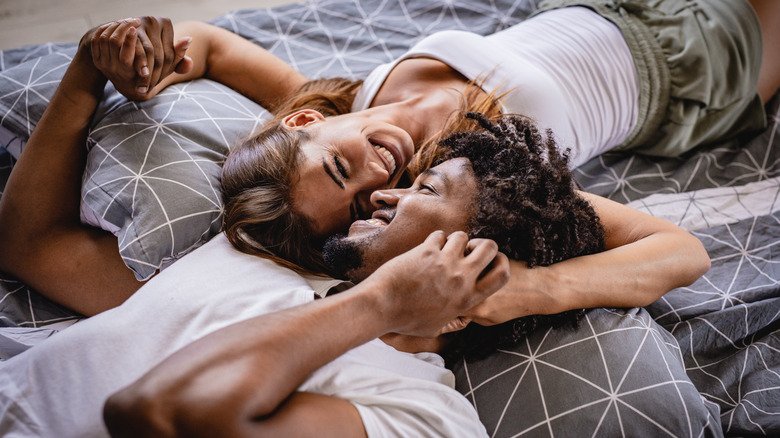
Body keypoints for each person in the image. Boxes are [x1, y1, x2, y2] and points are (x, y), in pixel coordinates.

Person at [0, 2, 724, 321]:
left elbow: (209, 45)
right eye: (362, 204)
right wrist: (533, 290)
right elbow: (679, 249)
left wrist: (115, 65)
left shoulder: (334, 99)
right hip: (688, 67)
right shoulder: (474, 171)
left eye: (342, 170)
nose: (383, 178)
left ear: (308, 122)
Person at [0, 113, 694, 437]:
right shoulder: (268, 251)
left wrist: (385, 303)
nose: (384, 192)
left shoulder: (424, 420)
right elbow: (28, 244)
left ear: (469, 259)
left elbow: (154, 412)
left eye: (425, 191)